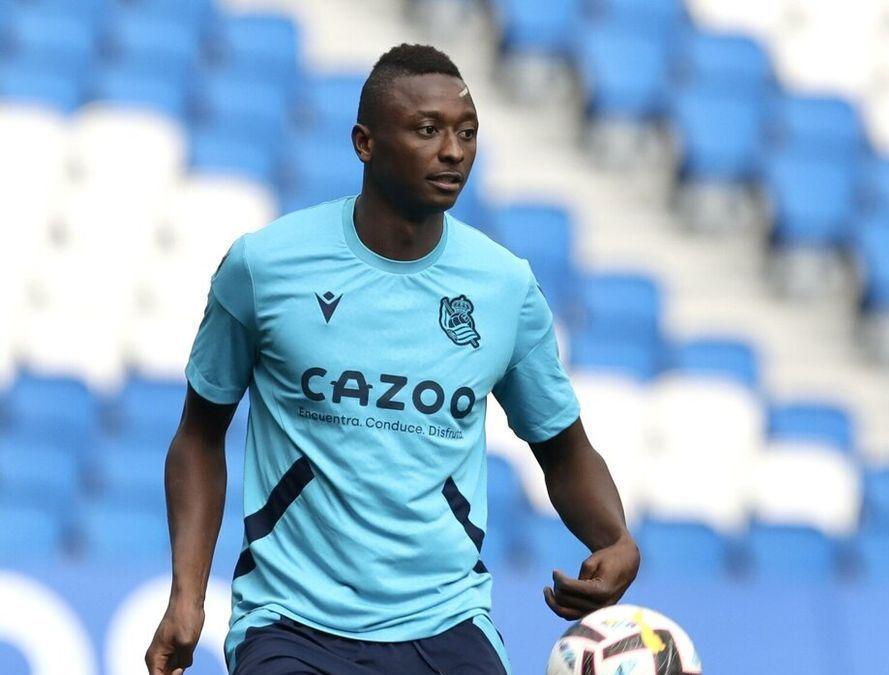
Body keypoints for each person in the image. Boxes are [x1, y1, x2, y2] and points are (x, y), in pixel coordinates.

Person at [144, 43, 640, 675]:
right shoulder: (264, 267)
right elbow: (197, 437)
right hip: (292, 625)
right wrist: (187, 597)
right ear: (365, 143)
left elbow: (565, 451)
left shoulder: (504, 288)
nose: (454, 151)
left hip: (447, 623)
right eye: (427, 130)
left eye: (466, 133)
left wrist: (615, 540)